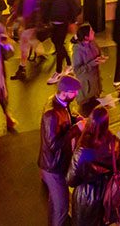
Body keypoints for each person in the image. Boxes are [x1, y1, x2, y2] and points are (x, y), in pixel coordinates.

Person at [38, 75, 81, 226]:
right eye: (74, 92)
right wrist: (76, 129)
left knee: (55, 203)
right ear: (65, 92)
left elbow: (66, 118)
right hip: (53, 167)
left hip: (57, 165)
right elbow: (53, 145)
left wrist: (76, 119)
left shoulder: (61, 102)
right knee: (62, 207)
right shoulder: (51, 114)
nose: (76, 95)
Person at [67, 105, 120, 226]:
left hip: (86, 199)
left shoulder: (82, 150)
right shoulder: (114, 142)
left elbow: (71, 180)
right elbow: (118, 163)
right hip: (106, 194)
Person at [8, 0, 43, 81]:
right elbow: (18, 9)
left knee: (24, 48)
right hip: (26, 25)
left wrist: (20, 24)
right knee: (28, 43)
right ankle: (41, 51)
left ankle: (22, 68)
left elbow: (27, 13)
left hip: (28, 26)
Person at [71, 23, 106, 112]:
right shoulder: (78, 51)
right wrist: (92, 64)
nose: (93, 32)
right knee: (87, 112)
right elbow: (77, 70)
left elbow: (98, 53)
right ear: (86, 37)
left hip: (95, 83)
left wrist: (101, 58)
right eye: (91, 32)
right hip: (86, 88)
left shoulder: (93, 43)